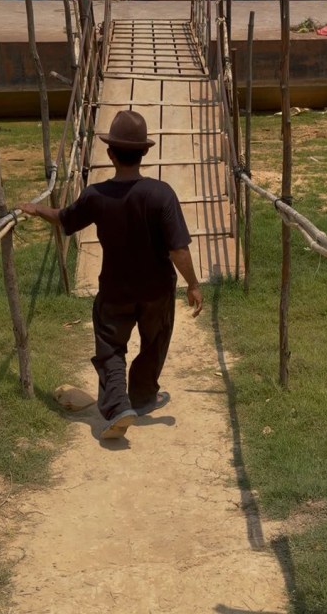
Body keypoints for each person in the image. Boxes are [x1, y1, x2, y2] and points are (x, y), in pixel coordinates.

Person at [19, 110, 203, 441]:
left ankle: (119, 407)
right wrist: (193, 284)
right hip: (157, 290)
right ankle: (144, 398)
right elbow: (178, 250)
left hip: (115, 291)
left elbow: (63, 218)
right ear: (145, 152)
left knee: (110, 348)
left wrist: (37, 209)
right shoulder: (162, 194)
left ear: (110, 153)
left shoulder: (96, 196)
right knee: (155, 341)